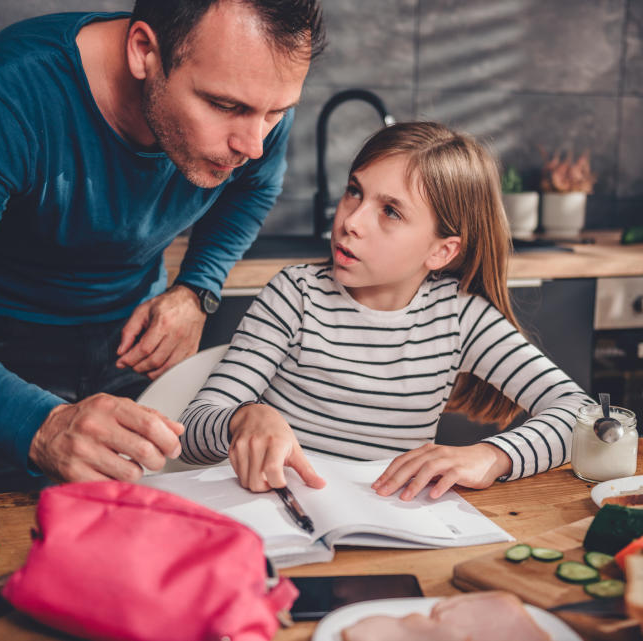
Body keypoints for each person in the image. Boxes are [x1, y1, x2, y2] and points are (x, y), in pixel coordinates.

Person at [0, 0, 325, 483]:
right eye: (226, 107)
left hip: (136, 343)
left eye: (276, 113)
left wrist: (196, 290)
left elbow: (256, 188)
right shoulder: (9, 93)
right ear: (144, 50)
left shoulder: (254, 97)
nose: (253, 145)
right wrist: (40, 426)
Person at [178, 121, 596, 500]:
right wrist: (244, 418)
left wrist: (490, 457)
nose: (351, 221)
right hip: (284, 514)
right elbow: (195, 430)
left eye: (391, 211)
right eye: (354, 191)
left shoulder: (460, 319)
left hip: (388, 528)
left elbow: (585, 417)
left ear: (441, 250)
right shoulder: (296, 296)